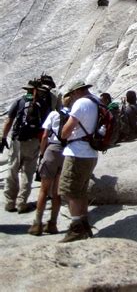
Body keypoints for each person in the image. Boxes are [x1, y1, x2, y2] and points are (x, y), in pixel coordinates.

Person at [58, 81, 100, 242]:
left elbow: (66, 131)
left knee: (70, 191)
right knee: (81, 190)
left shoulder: (81, 103)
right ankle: (84, 223)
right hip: (91, 152)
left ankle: (76, 229)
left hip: (77, 152)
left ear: (76, 92)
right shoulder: (95, 101)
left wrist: (63, 132)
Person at [1, 80, 50, 213]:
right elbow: (46, 127)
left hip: (18, 140)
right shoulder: (44, 104)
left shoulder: (20, 101)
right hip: (33, 142)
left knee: (12, 170)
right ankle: (22, 203)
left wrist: (3, 137)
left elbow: (9, 121)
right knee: (27, 173)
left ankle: (10, 202)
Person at [28, 96, 71, 236]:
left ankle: (37, 224)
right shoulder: (72, 115)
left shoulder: (54, 114)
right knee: (57, 192)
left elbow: (45, 135)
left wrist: (41, 154)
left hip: (52, 151)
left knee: (43, 190)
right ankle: (52, 224)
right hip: (66, 152)